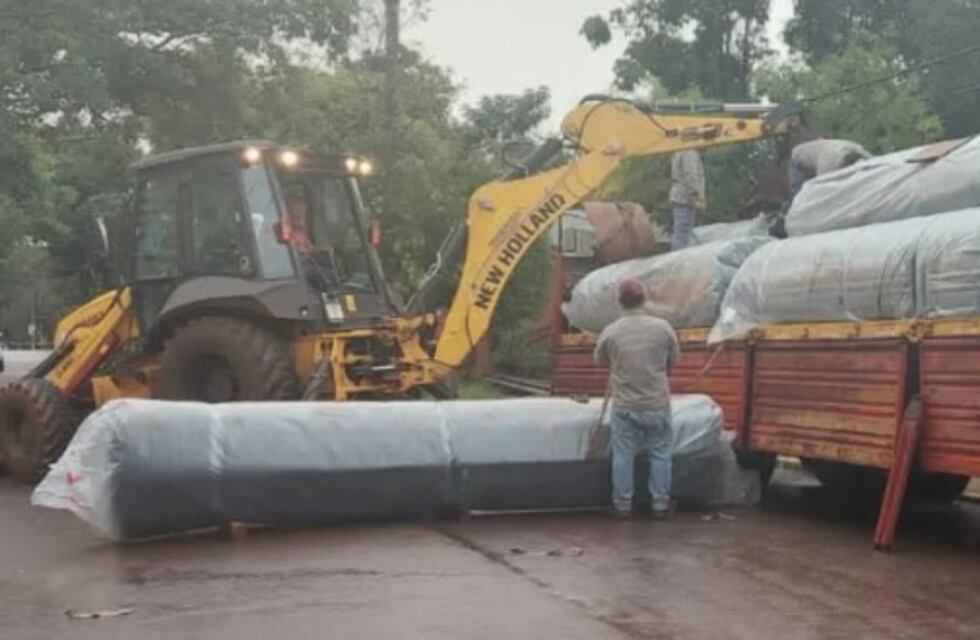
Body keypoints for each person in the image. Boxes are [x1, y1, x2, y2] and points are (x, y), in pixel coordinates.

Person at [593, 278, 680, 519]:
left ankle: (622, 506)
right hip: (656, 403)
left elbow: (599, 360)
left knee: (623, 455)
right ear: (644, 299)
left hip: (625, 405)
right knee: (661, 453)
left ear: (620, 302)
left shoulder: (611, 331)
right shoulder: (663, 328)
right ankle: (660, 505)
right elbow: (674, 361)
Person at [789, 138, 871, 198]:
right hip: (798, 159)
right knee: (802, 194)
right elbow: (821, 188)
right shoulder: (828, 164)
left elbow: (877, 164)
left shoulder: (862, 152)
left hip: (826, 150)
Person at [669, 149, 706, 251]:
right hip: (684, 198)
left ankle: (679, 259)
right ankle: (679, 261)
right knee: (683, 235)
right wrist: (696, 198)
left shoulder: (680, 150)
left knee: (682, 233)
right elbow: (691, 176)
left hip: (681, 197)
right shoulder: (689, 152)